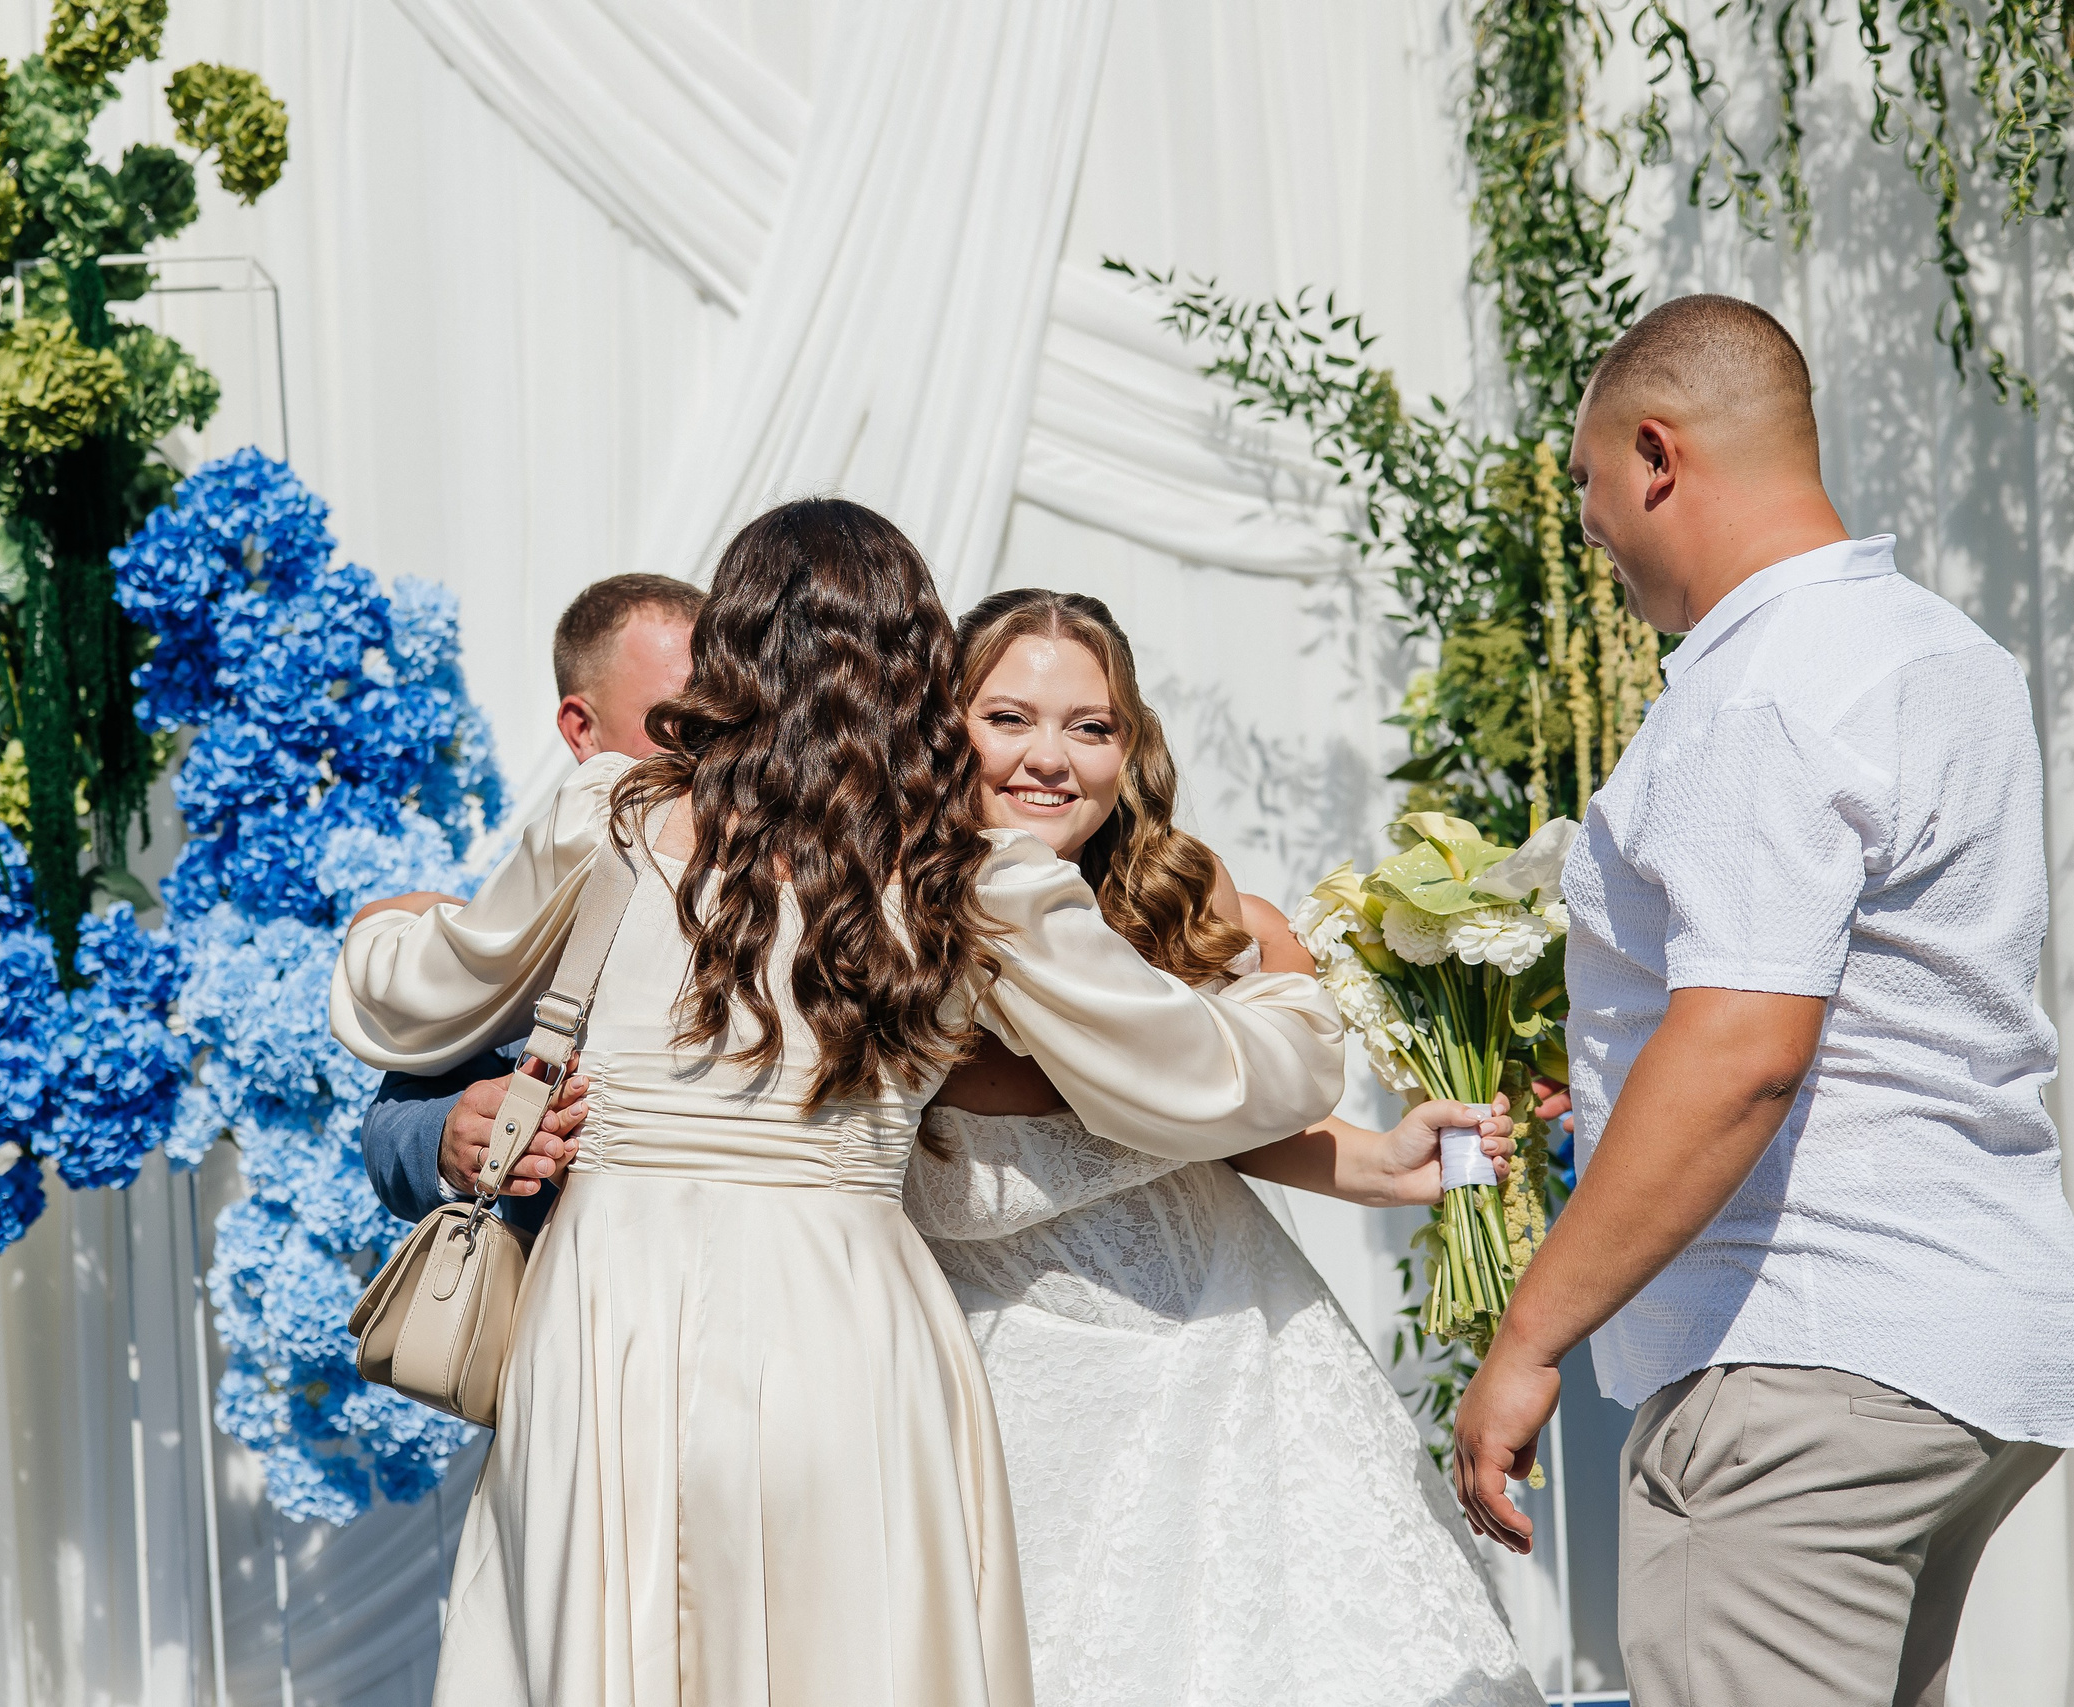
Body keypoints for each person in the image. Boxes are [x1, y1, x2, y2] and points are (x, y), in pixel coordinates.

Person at [331, 500, 1344, 1707]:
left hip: (613, 1315)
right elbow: (1207, 1077)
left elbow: (405, 1003)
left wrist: (374, 931)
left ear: (731, 652)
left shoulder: (610, 816)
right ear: (920, 662)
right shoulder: (974, 873)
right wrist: (1298, 1009)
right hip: (847, 1319)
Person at [1448, 295, 2074, 1707]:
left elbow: (1743, 1049)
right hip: (1971, 1341)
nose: (1593, 532)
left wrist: (1527, 1336)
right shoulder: (1948, 655)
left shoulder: (1756, 694)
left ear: (1659, 454)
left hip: (1803, 1342)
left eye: (1587, 486)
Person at [902, 588, 1543, 1707]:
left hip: (1236, 1362)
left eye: (1091, 728)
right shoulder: (871, 943)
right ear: (939, 728)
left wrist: (1389, 1159)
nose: (1051, 759)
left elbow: (1234, 1131)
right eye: (1007, 718)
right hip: (1000, 1404)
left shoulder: (1202, 925)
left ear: (1130, 748)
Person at [360, 572, 704, 1233]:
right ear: (582, 728)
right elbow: (388, 1126)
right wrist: (447, 1135)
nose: (710, 744)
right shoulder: (532, 904)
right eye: (679, 718)